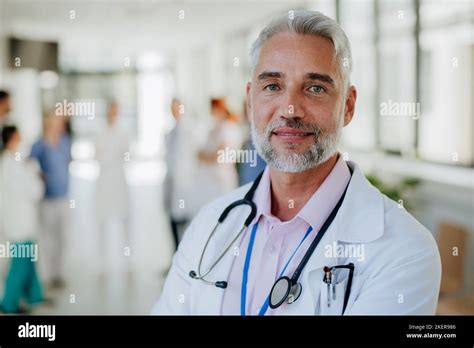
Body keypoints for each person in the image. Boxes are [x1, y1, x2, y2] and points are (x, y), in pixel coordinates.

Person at [152, 10, 441, 315]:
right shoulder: (210, 224)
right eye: (273, 86)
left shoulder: (404, 250)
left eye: (315, 88)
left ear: (348, 106)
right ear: (250, 102)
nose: (290, 110)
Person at [0, 126, 45, 313]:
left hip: (18, 221)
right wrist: (36, 175)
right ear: (12, 139)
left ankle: (35, 296)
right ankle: (9, 303)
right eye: (19, 137)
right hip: (19, 223)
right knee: (20, 263)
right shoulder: (12, 165)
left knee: (28, 260)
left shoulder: (10, 162)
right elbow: (34, 191)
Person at [30, 114, 71, 289]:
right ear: (48, 123)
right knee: (47, 239)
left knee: (61, 238)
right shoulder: (39, 145)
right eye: (56, 122)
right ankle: (45, 277)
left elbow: (67, 162)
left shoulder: (65, 141)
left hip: (63, 197)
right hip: (46, 199)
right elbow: (30, 166)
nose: (59, 125)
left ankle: (57, 274)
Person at [94, 101, 130, 266]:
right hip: (104, 183)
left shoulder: (123, 133)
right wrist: (112, 157)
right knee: (102, 223)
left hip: (119, 182)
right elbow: (98, 157)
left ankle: (128, 261)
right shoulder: (100, 133)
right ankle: (102, 262)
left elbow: (126, 155)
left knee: (125, 222)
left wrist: (111, 157)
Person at [192, 98, 243, 208]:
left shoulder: (229, 128)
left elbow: (217, 156)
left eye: (213, 110)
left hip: (221, 180)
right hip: (210, 181)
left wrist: (205, 156)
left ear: (220, 110)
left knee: (223, 211)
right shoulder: (213, 129)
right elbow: (198, 154)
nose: (211, 114)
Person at [163, 98, 199, 250]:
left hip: (186, 182)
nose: (175, 111)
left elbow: (196, 155)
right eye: (172, 108)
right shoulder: (170, 133)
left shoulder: (190, 130)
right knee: (172, 219)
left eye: (177, 108)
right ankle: (176, 255)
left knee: (186, 220)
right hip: (172, 181)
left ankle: (185, 257)